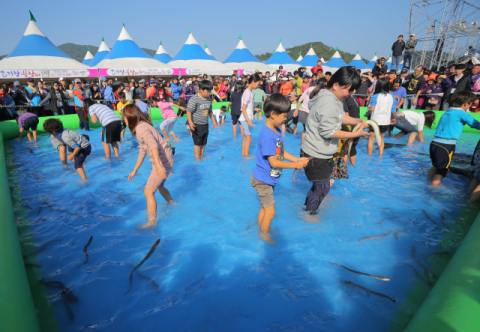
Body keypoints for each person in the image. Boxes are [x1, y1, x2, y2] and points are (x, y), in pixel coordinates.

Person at [301, 67, 368, 217]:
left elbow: (338, 118)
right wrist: (354, 134)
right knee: (322, 187)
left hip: (317, 152)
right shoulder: (329, 102)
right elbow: (328, 131)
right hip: (316, 154)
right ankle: (310, 215)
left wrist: (357, 120)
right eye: (348, 90)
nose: (349, 94)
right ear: (336, 85)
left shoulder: (330, 97)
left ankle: (307, 209)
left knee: (319, 186)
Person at [251, 93, 309, 245]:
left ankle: (262, 227)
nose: (286, 118)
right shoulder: (268, 135)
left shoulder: (276, 131)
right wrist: (295, 166)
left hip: (267, 179)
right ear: (273, 114)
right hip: (263, 180)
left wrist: (297, 159)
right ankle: (263, 234)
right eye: (284, 115)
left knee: (265, 208)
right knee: (271, 211)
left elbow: (280, 152)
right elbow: (275, 162)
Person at [124, 104, 174, 229]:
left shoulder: (141, 129)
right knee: (159, 186)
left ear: (130, 117)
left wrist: (157, 165)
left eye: (123, 117)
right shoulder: (142, 126)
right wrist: (135, 170)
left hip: (162, 161)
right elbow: (143, 151)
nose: (123, 119)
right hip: (166, 158)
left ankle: (152, 222)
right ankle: (172, 203)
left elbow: (152, 145)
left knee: (148, 191)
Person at [428, 91, 480, 186]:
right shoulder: (462, 113)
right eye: (470, 104)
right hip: (446, 145)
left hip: (434, 143)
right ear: (465, 104)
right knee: (443, 169)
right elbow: (475, 124)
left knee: (435, 166)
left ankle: (428, 181)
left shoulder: (447, 112)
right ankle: (433, 187)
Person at [186, 80, 217, 160]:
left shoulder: (209, 99)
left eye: (210, 91)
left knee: (204, 142)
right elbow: (189, 111)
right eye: (207, 91)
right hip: (196, 124)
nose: (209, 93)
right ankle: (197, 158)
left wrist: (213, 120)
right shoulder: (195, 98)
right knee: (197, 143)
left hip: (205, 124)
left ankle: (202, 156)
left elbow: (210, 111)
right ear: (201, 90)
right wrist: (190, 122)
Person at [367, 78, 397, 156]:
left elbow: (372, 108)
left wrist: (367, 113)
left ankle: (369, 156)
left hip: (375, 122)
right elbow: (394, 111)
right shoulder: (392, 97)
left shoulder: (375, 96)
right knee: (381, 139)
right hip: (386, 122)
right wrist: (394, 118)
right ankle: (380, 155)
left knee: (371, 140)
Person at [294, 78, 327, 144]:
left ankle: (302, 144)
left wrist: (296, 109)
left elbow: (300, 99)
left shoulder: (309, 89)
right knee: (311, 131)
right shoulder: (320, 92)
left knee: (305, 130)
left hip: (302, 112)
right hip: (309, 113)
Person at [240, 74, 262, 158]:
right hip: (246, 119)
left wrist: (255, 109)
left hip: (245, 118)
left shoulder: (249, 91)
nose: (258, 85)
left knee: (246, 137)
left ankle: (243, 154)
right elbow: (243, 108)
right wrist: (248, 120)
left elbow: (248, 106)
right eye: (257, 83)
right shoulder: (248, 93)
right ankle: (246, 156)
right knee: (249, 138)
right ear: (253, 82)